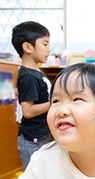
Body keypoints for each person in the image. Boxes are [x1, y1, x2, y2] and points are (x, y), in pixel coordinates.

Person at [12, 21, 52, 169]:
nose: (49, 49)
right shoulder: (29, 76)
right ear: (28, 47)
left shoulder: (37, 73)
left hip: (41, 137)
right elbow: (28, 112)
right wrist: (54, 102)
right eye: (45, 44)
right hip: (32, 140)